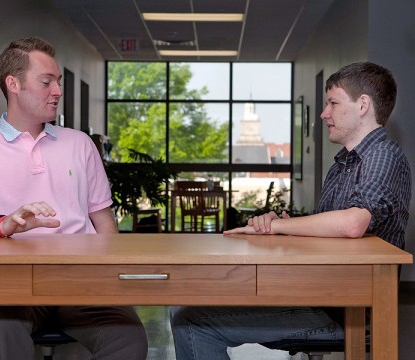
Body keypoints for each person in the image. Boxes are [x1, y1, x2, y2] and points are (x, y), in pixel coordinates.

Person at [170, 62, 411, 359]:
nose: (324, 113)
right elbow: (330, 229)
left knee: (190, 322)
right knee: (182, 305)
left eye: (333, 103)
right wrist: (285, 222)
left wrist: (278, 227)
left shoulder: (383, 155)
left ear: (363, 105)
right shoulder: (343, 164)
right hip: (319, 295)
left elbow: (353, 223)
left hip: (343, 310)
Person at [0, 36, 147, 360]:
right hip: (12, 285)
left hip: (81, 283)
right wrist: (3, 223)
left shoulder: (80, 144)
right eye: (46, 81)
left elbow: (104, 223)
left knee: (128, 338)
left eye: (58, 82)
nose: (58, 91)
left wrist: (108, 279)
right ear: (13, 84)